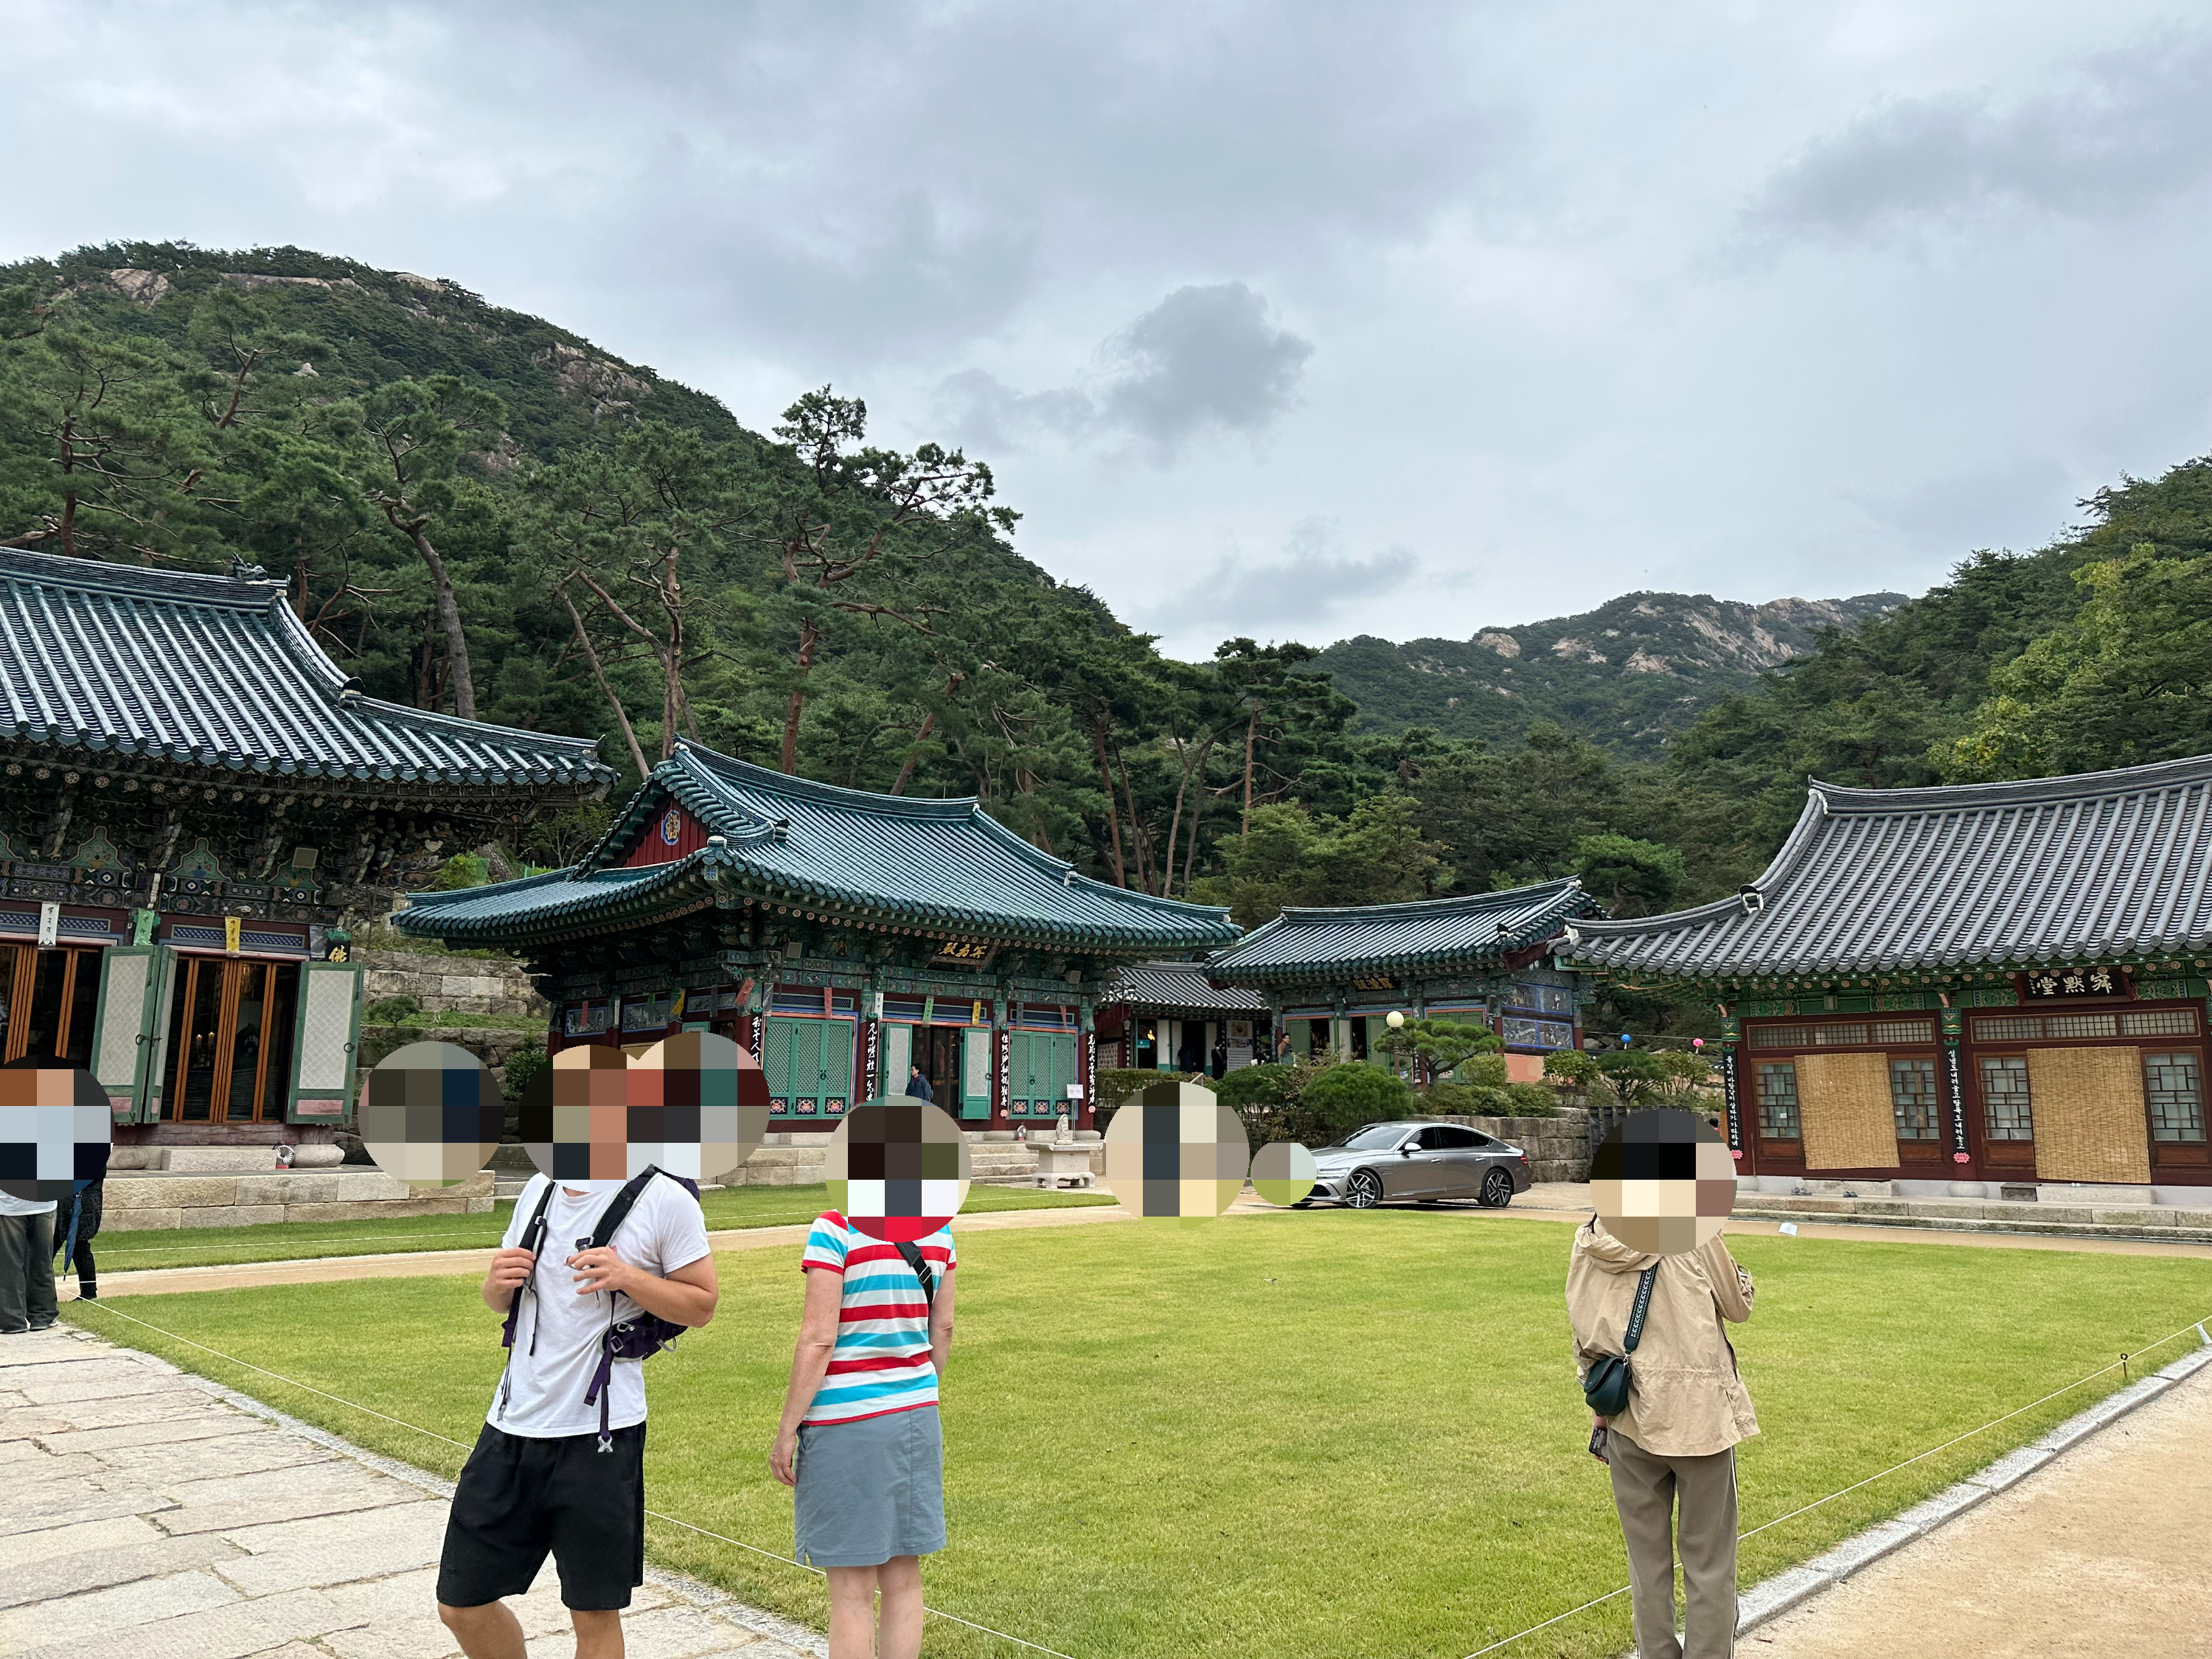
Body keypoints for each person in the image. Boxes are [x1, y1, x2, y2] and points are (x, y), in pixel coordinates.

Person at [436, 1170, 718, 1659]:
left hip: (601, 1436)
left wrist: (628, 1277)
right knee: (461, 1605)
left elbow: (702, 1305)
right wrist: (494, 1286)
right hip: (510, 1425)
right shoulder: (538, 1188)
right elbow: (501, 1300)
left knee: (593, 1614)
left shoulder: (664, 1198)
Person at [771, 1208, 956, 1659]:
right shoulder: (938, 1229)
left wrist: (787, 1428)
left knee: (851, 1590)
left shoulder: (836, 1227)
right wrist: (912, 1386)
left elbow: (819, 1338)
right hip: (916, 1416)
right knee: (904, 1578)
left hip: (846, 1422)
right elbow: (944, 1329)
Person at [1568, 1217, 1757, 1659]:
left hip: (1627, 1414)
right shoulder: (1694, 1230)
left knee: (1646, 1566)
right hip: (1699, 1418)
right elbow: (1738, 1304)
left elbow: (1583, 1326)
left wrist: (1600, 1410)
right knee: (1709, 1565)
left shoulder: (1592, 1235)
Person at [52, 1145, 108, 1301]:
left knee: (79, 1247)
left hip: (82, 1206)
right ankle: (38, 1292)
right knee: (48, 1248)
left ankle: (89, 1292)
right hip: (65, 1205)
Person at [0, 1186, 57, 1335]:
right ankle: (43, 1315)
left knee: (10, 1265)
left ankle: (12, 1320)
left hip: (9, 1205)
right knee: (42, 1262)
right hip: (44, 1202)